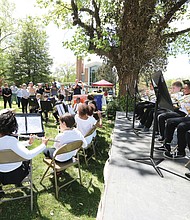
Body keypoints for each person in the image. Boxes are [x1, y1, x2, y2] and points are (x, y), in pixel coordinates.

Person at [0, 109, 48, 195]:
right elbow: (28, 155)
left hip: (1, 175)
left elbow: (9, 147)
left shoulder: (10, 141)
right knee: (26, 161)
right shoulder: (11, 140)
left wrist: (28, 143)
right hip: (15, 176)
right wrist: (43, 145)